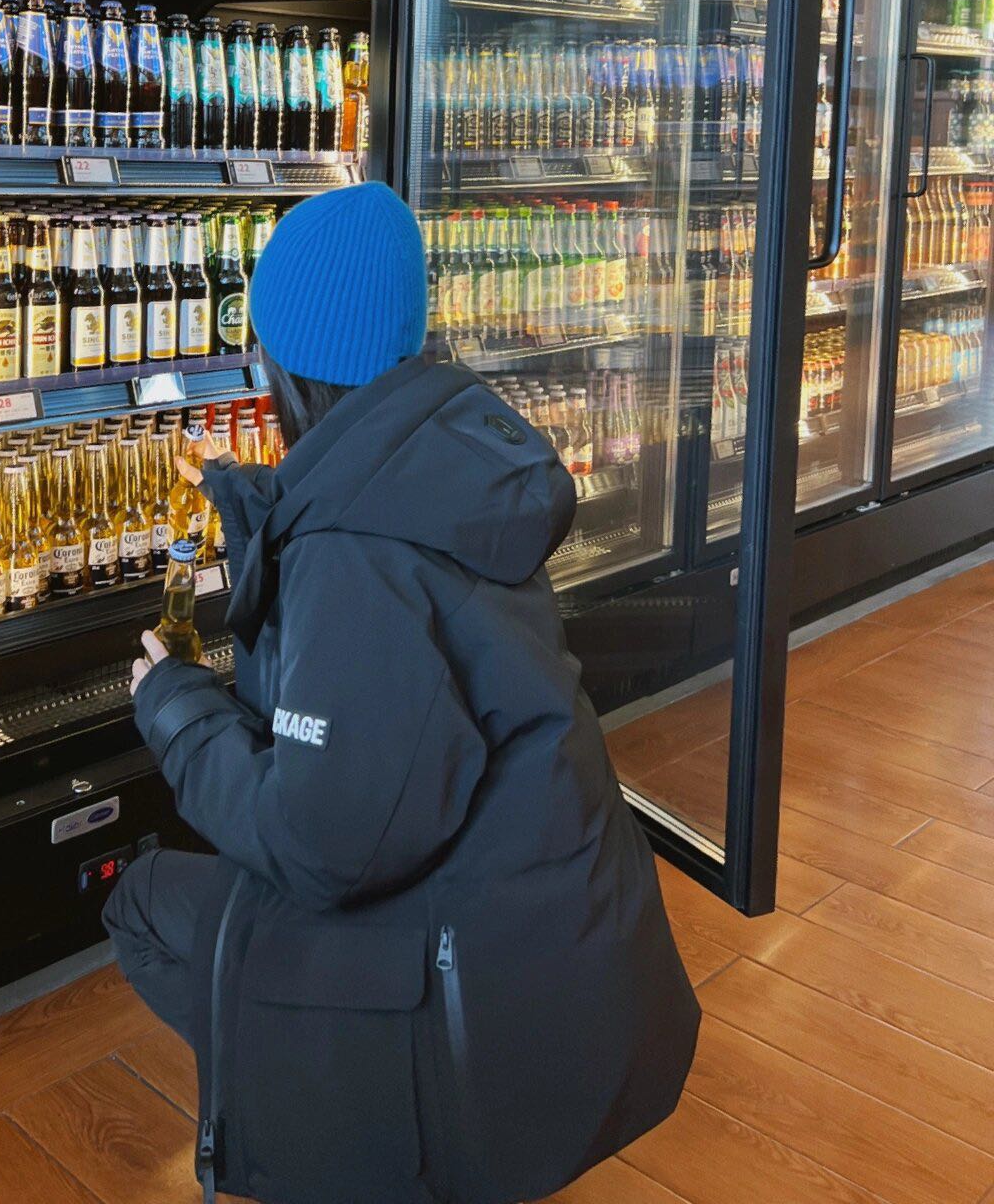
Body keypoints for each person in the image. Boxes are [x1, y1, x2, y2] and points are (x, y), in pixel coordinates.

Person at [105, 181, 698, 1204]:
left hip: (474, 1004)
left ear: (284, 362)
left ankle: (340, 1115)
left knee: (145, 904)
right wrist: (255, 512)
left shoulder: (357, 560)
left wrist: (177, 710)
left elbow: (322, 848)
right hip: (568, 950)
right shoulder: (443, 458)